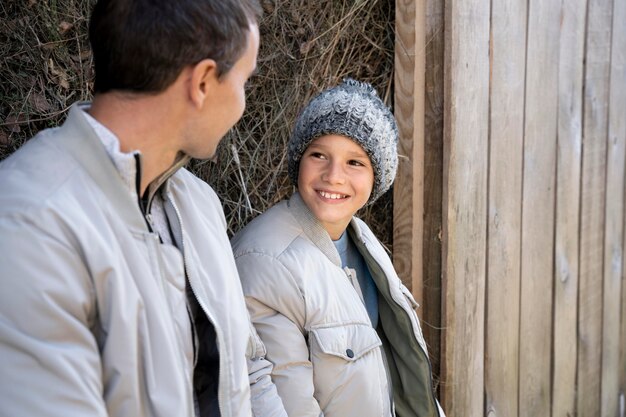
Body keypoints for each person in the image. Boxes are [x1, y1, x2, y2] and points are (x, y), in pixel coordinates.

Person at [0, 1, 286, 416]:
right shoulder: (29, 228)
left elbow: (246, 372)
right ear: (204, 82)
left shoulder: (200, 206)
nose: (242, 103)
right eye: (244, 80)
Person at [231, 79, 445, 417]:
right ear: (299, 161)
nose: (334, 176)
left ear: (378, 176)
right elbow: (286, 404)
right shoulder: (268, 261)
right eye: (319, 155)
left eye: (355, 162)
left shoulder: (360, 239)